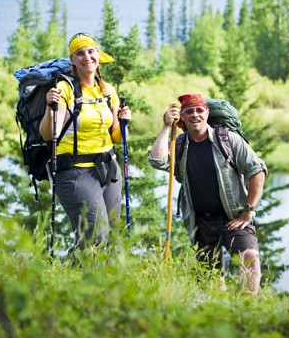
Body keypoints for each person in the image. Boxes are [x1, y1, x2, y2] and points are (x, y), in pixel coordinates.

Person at [149, 93, 267, 294]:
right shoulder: (179, 145)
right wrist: (166, 126)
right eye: (189, 111)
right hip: (201, 221)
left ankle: (248, 308)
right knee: (210, 276)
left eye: (199, 110)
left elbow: (257, 170)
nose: (195, 115)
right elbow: (157, 160)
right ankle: (218, 313)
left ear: (207, 113)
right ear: (182, 119)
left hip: (234, 216)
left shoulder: (228, 139)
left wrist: (248, 211)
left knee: (250, 257)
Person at [40, 32, 131, 248]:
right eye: (79, 53)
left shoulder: (108, 91)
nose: (87, 57)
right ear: (72, 60)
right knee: (95, 236)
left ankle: (104, 282)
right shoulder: (66, 89)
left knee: (114, 236)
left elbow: (116, 138)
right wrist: (49, 106)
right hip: (75, 171)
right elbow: (48, 135)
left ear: (98, 55)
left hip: (109, 168)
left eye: (91, 51)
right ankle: (75, 278)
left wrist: (125, 122)